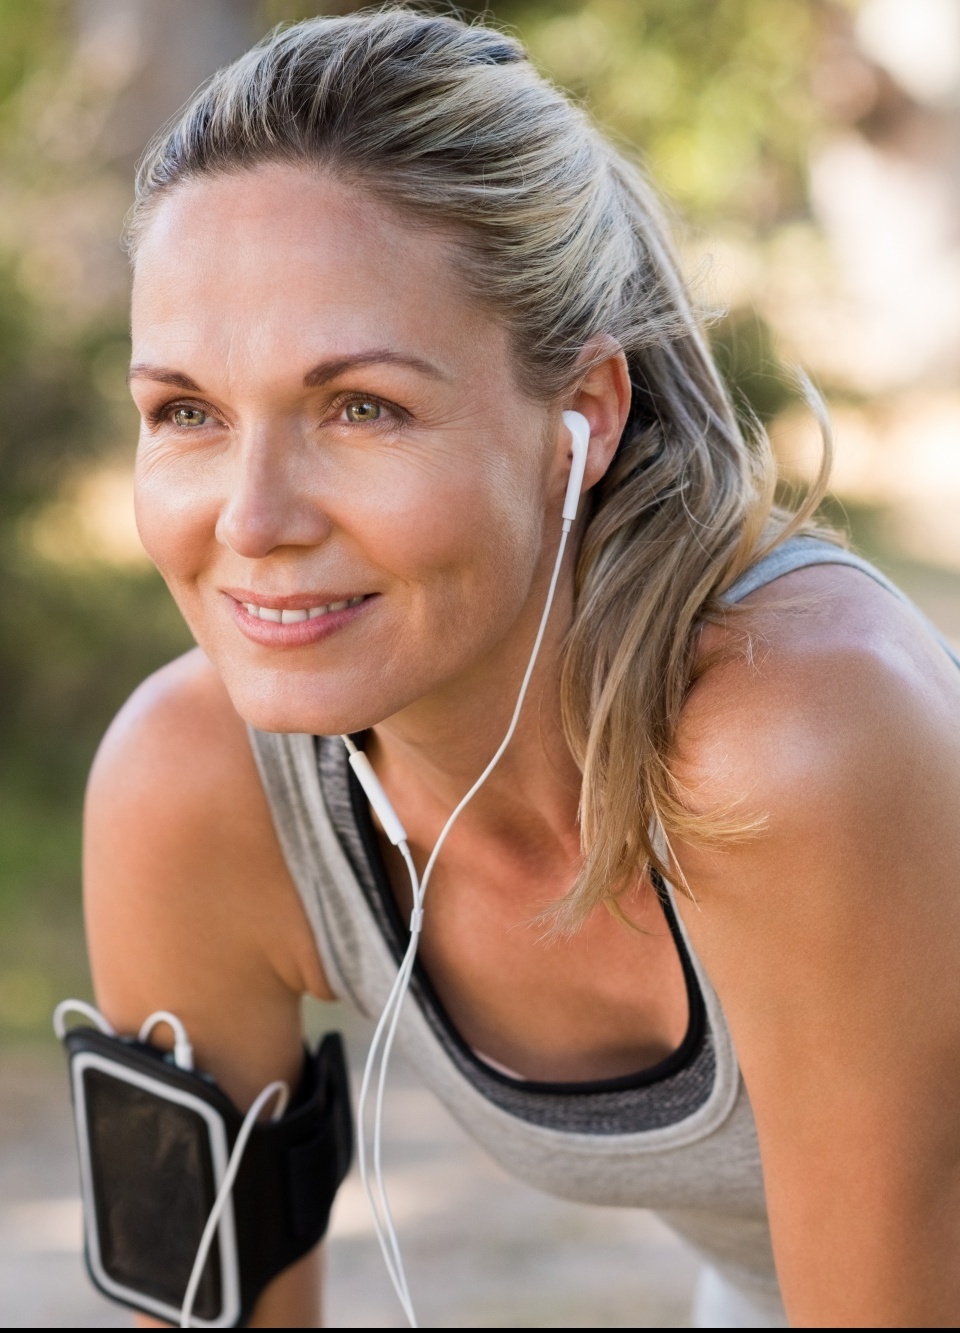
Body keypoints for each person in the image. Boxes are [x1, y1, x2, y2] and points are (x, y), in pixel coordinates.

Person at [83, 8, 960, 1327]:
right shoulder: (192, 789)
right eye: (187, 412)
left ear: (584, 417)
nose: (252, 521)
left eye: (361, 407)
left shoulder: (790, 743)